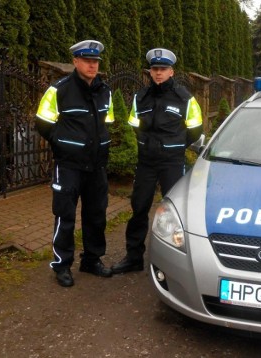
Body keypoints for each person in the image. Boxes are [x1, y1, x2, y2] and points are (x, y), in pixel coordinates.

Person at [111, 48, 203, 274]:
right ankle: (133, 258)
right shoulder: (140, 97)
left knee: (174, 213)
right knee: (139, 208)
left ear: (171, 72)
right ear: (150, 72)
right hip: (146, 163)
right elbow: (134, 125)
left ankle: (175, 263)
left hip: (172, 163)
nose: (158, 73)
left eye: (163, 69)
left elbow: (195, 130)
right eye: (155, 69)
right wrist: (146, 145)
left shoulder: (184, 98)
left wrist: (175, 146)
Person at [35, 40, 115, 287]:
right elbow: (43, 123)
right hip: (69, 166)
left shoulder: (105, 90)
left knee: (96, 215)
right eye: (87, 61)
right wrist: (63, 144)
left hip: (96, 167)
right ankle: (62, 265)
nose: (92, 65)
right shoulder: (59, 90)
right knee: (65, 216)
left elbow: (107, 122)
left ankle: (92, 260)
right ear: (76, 62)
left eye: (95, 62)